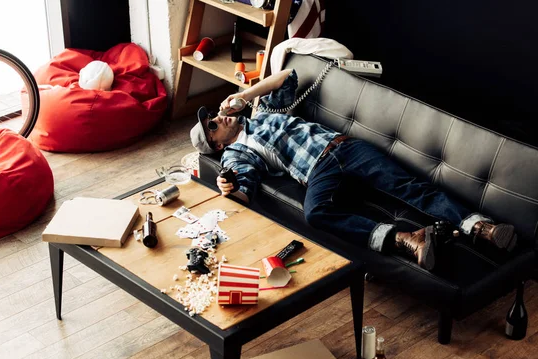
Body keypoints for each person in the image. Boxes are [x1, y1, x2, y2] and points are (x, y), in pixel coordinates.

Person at [189, 69, 517, 270]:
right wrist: (227, 187)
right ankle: (405, 239)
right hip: (318, 171)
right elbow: (241, 190)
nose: (219, 119)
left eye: (214, 117)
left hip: (346, 146)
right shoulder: (237, 153)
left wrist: (244, 95)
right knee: (315, 213)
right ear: (218, 145)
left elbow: (288, 77)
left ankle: (481, 228)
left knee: (412, 187)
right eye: (214, 126)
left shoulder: (261, 111)